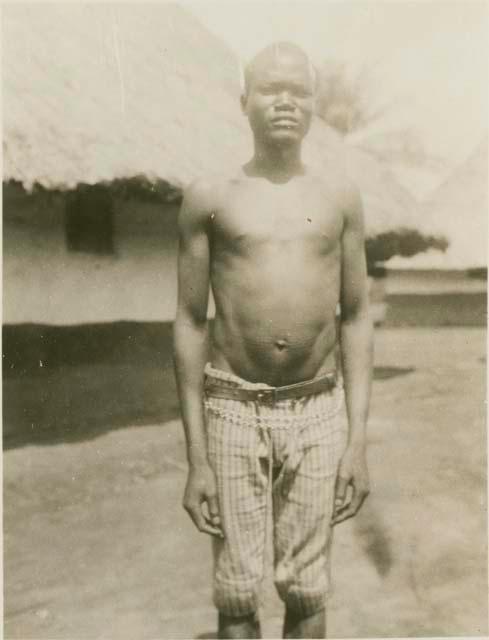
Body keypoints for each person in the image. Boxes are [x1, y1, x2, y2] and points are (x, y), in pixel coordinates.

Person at [173, 41, 373, 639]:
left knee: (308, 586)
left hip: (318, 410)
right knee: (237, 591)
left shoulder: (340, 197)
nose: (286, 102)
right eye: (270, 89)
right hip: (233, 408)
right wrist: (196, 458)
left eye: (300, 91)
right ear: (244, 102)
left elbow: (357, 316)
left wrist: (356, 441)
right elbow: (188, 320)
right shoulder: (210, 197)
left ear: (314, 106)